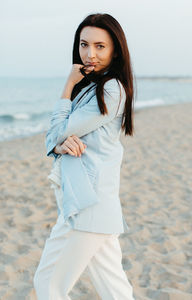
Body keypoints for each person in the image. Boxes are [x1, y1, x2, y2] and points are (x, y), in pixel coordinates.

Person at [33, 13, 136, 300]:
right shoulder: (91, 87)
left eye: (100, 46)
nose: (90, 54)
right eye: (84, 44)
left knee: (48, 284)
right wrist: (59, 144)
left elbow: (57, 132)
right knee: (116, 290)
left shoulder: (111, 89)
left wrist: (66, 86)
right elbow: (55, 138)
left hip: (86, 208)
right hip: (94, 206)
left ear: (115, 49)